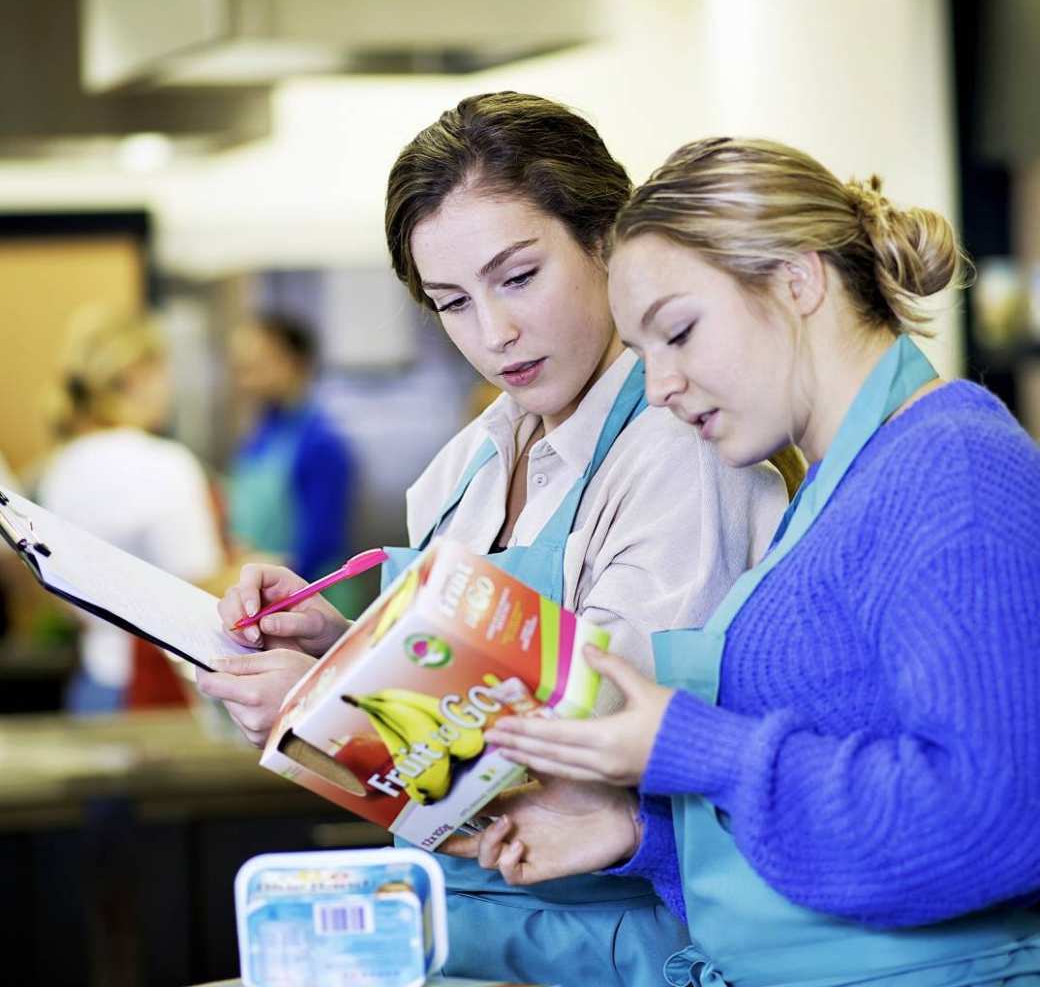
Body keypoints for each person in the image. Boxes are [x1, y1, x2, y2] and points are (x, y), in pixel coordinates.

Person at [198, 94, 792, 985]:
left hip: (618, 941)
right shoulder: (464, 466)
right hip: (463, 921)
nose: (494, 333)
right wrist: (339, 649)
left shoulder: (681, 446)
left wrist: (342, 711)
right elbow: (458, 669)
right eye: (452, 302)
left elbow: (602, 729)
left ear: (606, 240)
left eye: (518, 277)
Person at [457, 137, 1040, 986]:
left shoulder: (950, 464)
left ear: (798, 280)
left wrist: (687, 747)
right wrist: (643, 833)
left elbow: (993, 818)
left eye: (680, 333)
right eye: (644, 350)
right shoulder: (841, 487)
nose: (659, 385)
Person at [37, 309, 225, 714]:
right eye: (163, 373)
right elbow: (201, 583)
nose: (169, 389)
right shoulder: (164, 464)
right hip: (159, 687)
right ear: (135, 376)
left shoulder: (60, 466)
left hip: (94, 681)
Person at [225, 313, 359, 616]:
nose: (243, 379)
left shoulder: (321, 441)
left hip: (309, 598)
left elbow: (322, 540)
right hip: (263, 593)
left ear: (291, 362)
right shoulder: (262, 432)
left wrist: (273, 579)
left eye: (255, 365)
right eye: (240, 367)